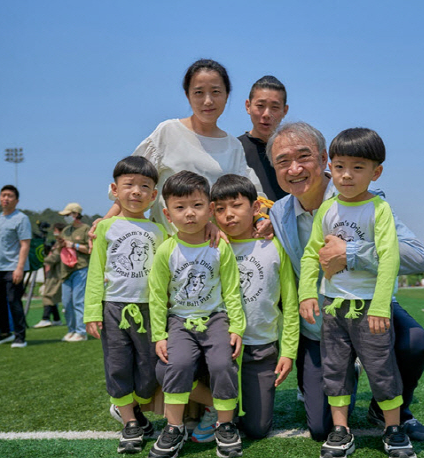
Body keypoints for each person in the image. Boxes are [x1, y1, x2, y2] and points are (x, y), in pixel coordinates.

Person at [266, 121, 424, 444]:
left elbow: (417, 258)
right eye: (283, 162)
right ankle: (347, 371)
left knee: (414, 341)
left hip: (371, 304)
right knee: (320, 428)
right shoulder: (278, 213)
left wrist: (352, 252)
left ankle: (389, 410)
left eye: (304, 157)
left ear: (323, 158)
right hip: (322, 320)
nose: (294, 168)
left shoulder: (366, 197)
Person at [298, 127, 417, 458]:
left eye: (357, 167)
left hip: (369, 310)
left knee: (382, 369)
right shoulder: (327, 209)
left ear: (376, 172)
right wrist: (308, 293)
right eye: (339, 166)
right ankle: (340, 430)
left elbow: (390, 257)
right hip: (333, 309)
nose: (346, 175)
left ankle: (393, 429)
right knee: (335, 369)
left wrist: (380, 306)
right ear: (330, 168)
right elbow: (311, 255)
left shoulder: (379, 209)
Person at [147, 171, 246, 458]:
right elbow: (156, 295)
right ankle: (174, 428)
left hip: (215, 318)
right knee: (177, 364)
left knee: (222, 363)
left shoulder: (220, 246)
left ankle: (226, 426)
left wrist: (237, 327)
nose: (189, 213)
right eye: (180, 207)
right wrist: (159, 335)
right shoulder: (167, 250)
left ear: (209, 209)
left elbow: (232, 290)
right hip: (179, 321)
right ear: (167, 213)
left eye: (197, 205)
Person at [103, 59, 263, 233]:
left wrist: (261, 221)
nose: (208, 101)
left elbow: (248, 196)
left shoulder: (233, 146)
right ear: (188, 96)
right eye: (199, 92)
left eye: (216, 92)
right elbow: (134, 181)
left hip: (212, 251)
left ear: (227, 95)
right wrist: (106, 222)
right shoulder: (168, 131)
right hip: (166, 246)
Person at [84, 156, 167, 454]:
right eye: (128, 185)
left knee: (149, 372)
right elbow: (96, 272)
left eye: (144, 186)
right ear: (114, 190)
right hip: (114, 309)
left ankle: (133, 409)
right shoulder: (106, 228)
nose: (136, 192)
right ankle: (130, 423)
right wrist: (92, 311)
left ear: (154, 195)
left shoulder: (160, 231)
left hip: (150, 312)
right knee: (118, 367)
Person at [210, 174, 298, 440]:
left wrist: (289, 352)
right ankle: (202, 406)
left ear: (255, 208)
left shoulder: (274, 246)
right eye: (220, 209)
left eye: (236, 205)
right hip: (216, 347)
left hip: (261, 347)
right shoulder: (209, 245)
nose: (229, 215)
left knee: (257, 429)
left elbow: (290, 303)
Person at [0, 185, 31, 346]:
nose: (5, 198)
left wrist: (19, 268)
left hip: (13, 268)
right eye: (3, 195)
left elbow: (25, 244)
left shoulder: (21, 219)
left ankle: (20, 337)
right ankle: (5, 332)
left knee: (14, 301)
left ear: (16, 200)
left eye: (9, 196)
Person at [238, 75, 289, 202]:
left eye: (275, 107)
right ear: (248, 106)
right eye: (260, 106)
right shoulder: (235, 148)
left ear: (285, 110)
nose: (266, 114)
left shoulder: (292, 151)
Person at [58, 202, 91, 342]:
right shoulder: (65, 230)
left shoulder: (86, 229)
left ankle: (81, 332)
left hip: (81, 268)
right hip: (66, 270)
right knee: (66, 303)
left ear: (76, 214)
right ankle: (71, 330)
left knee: (78, 301)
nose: (66, 217)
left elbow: (90, 249)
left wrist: (73, 245)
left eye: (68, 214)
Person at [34, 222, 65, 328]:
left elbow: (55, 258)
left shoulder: (62, 242)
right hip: (54, 273)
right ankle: (56, 319)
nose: (54, 233)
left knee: (48, 295)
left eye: (55, 230)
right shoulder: (58, 242)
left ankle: (45, 318)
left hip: (57, 274)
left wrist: (41, 260)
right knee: (51, 296)